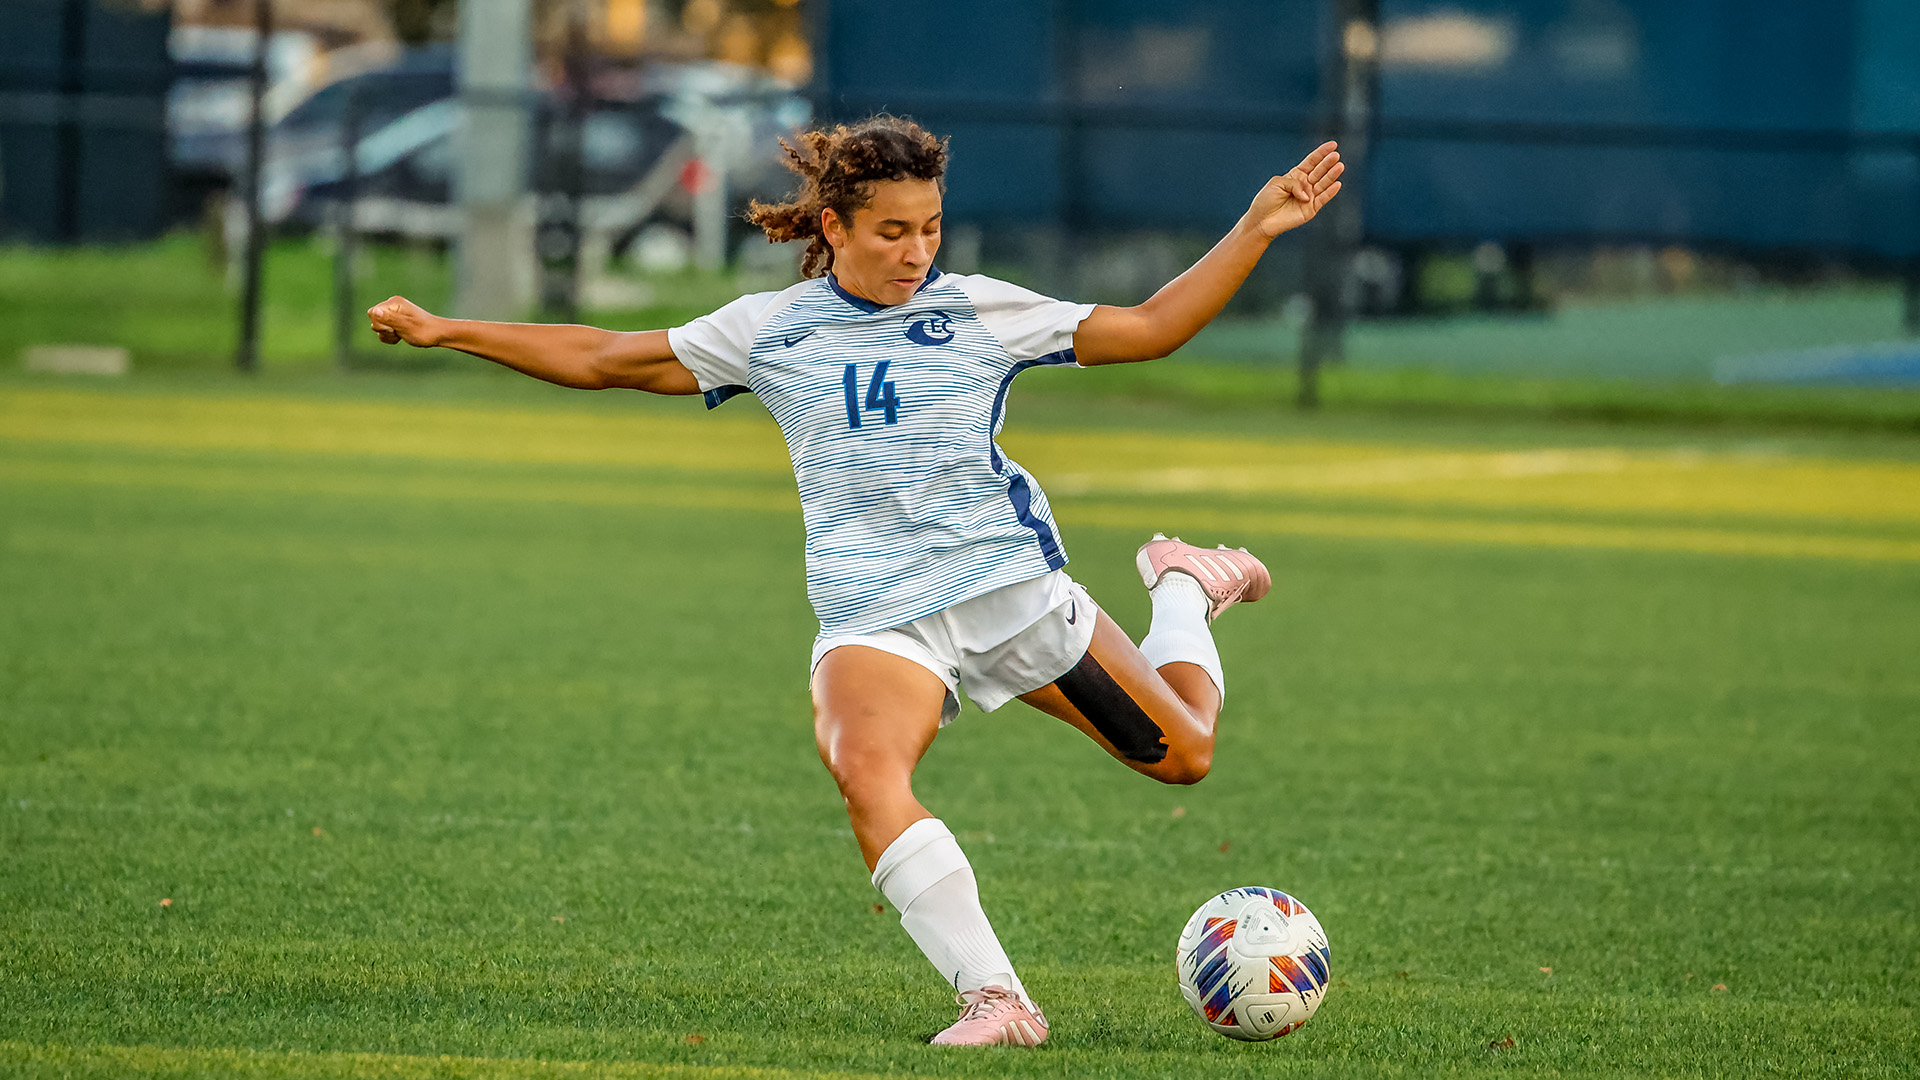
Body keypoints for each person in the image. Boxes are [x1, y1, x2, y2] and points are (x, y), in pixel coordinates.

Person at [368, 115, 1342, 1047]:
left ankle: (1182, 585)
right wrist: (446, 329)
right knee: (865, 770)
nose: (916, 250)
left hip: (1011, 600)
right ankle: (997, 998)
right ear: (833, 228)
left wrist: (1256, 227)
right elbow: (603, 355)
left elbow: (1150, 326)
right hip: (875, 614)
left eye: (930, 228)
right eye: (891, 231)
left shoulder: (978, 311)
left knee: (1186, 755)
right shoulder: (770, 331)